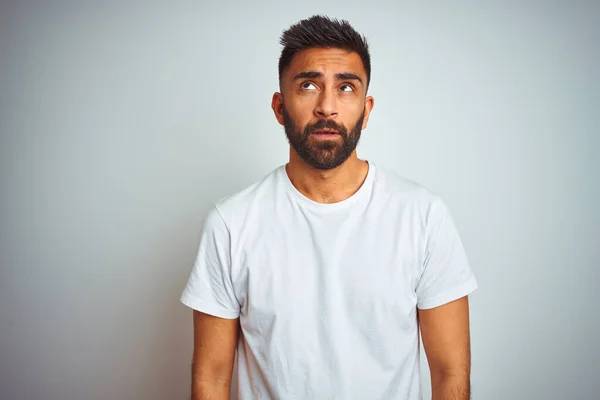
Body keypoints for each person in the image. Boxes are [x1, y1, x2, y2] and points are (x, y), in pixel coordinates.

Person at [181, 14, 478, 400]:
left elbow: (450, 372)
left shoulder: (422, 216)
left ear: (367, 110)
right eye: (308, 85)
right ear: (279, 107)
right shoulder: (232, 222)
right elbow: (211, 378)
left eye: (346, 88)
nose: (327, 107)